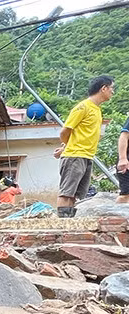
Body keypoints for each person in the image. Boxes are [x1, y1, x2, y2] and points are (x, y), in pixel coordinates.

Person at [54, 75, 115, 217]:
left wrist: (64, 148)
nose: (112, 92)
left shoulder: (97, 110)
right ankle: (62, 225)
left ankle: (68, 224)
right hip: (75, 156)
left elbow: (78, 134)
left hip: (87, 157)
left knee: (74, 195)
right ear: (103, 88)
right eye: (112, 88)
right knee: (66, 193)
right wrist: (67, 148)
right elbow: (65, 132)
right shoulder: (82, 107)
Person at [117, 115, 129, 204]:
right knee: (126, 195)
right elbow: (124, 136)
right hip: (127, 160)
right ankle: (117, 216)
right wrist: (123, 158)